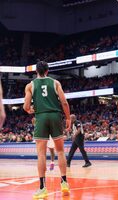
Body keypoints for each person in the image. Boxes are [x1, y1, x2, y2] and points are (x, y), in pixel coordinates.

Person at [23, 61, 71, 199]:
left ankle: (43, 188)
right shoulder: (55, 83)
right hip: (55, 116)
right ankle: (64, 183)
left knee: (41, 154)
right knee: (60, 151)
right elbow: (64, 102)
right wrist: (68, 118)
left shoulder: (30, 85)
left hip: (41, 117)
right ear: (48, 71)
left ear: (36, 71)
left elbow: (26, 106)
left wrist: (30, 110)